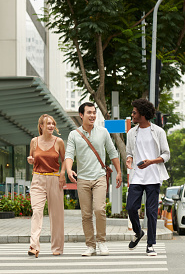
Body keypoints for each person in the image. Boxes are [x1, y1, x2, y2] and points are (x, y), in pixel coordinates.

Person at [65, 102, 122, 256]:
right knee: (86, 214)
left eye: (94, 112)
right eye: (89, 113)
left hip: (99, 177)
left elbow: (112, 152)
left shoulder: (103, 132)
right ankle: (90, 245)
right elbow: (69, 154)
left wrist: (118, 172)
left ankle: (102, 241)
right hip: (82, 179)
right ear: (81, 115)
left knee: (99, 209)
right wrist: (69, 169)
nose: (92, 115)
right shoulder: (74, 134)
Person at [126, 99, 170, 256]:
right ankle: (138, 233)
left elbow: (166, 154)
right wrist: (129, 159)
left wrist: (151, 161)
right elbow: (129, 152)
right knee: (131, 207)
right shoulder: (132, 133)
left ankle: (150, 244)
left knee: (151, 212)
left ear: (143, 114)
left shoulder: (158, 132)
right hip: (137, 176)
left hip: (153, 177)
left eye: (134, 112)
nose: (132, 115)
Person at [27, 114, 66, 258]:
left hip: (54, 179)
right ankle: (34, 245)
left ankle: (57, 247)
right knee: (36, 211)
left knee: (56, 215)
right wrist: (30, 160)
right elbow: (32, 159)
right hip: (37, 179)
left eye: (53, 124)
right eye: (48, 123)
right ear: (41, 126)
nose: (51, 126)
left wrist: (63, 174)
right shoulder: (34, 141)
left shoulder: (59, 142)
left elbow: (65, 160)